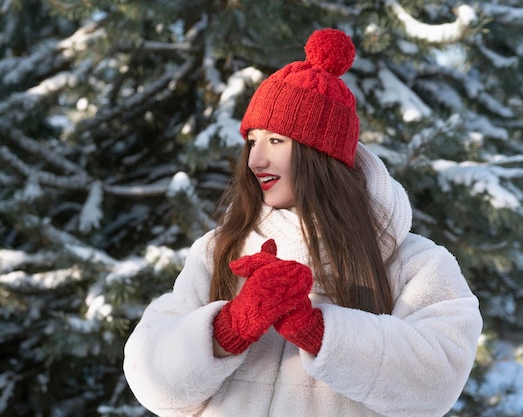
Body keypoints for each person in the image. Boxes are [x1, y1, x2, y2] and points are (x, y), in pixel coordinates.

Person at [123, 28, 483, 417]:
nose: (255, 160)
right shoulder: (219, 249)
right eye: (252, 142)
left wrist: (319, 332)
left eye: (276, 141)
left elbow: (438, 381)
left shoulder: (415, 263)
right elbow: (149, 379)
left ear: (321, 156)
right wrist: (226, 331)